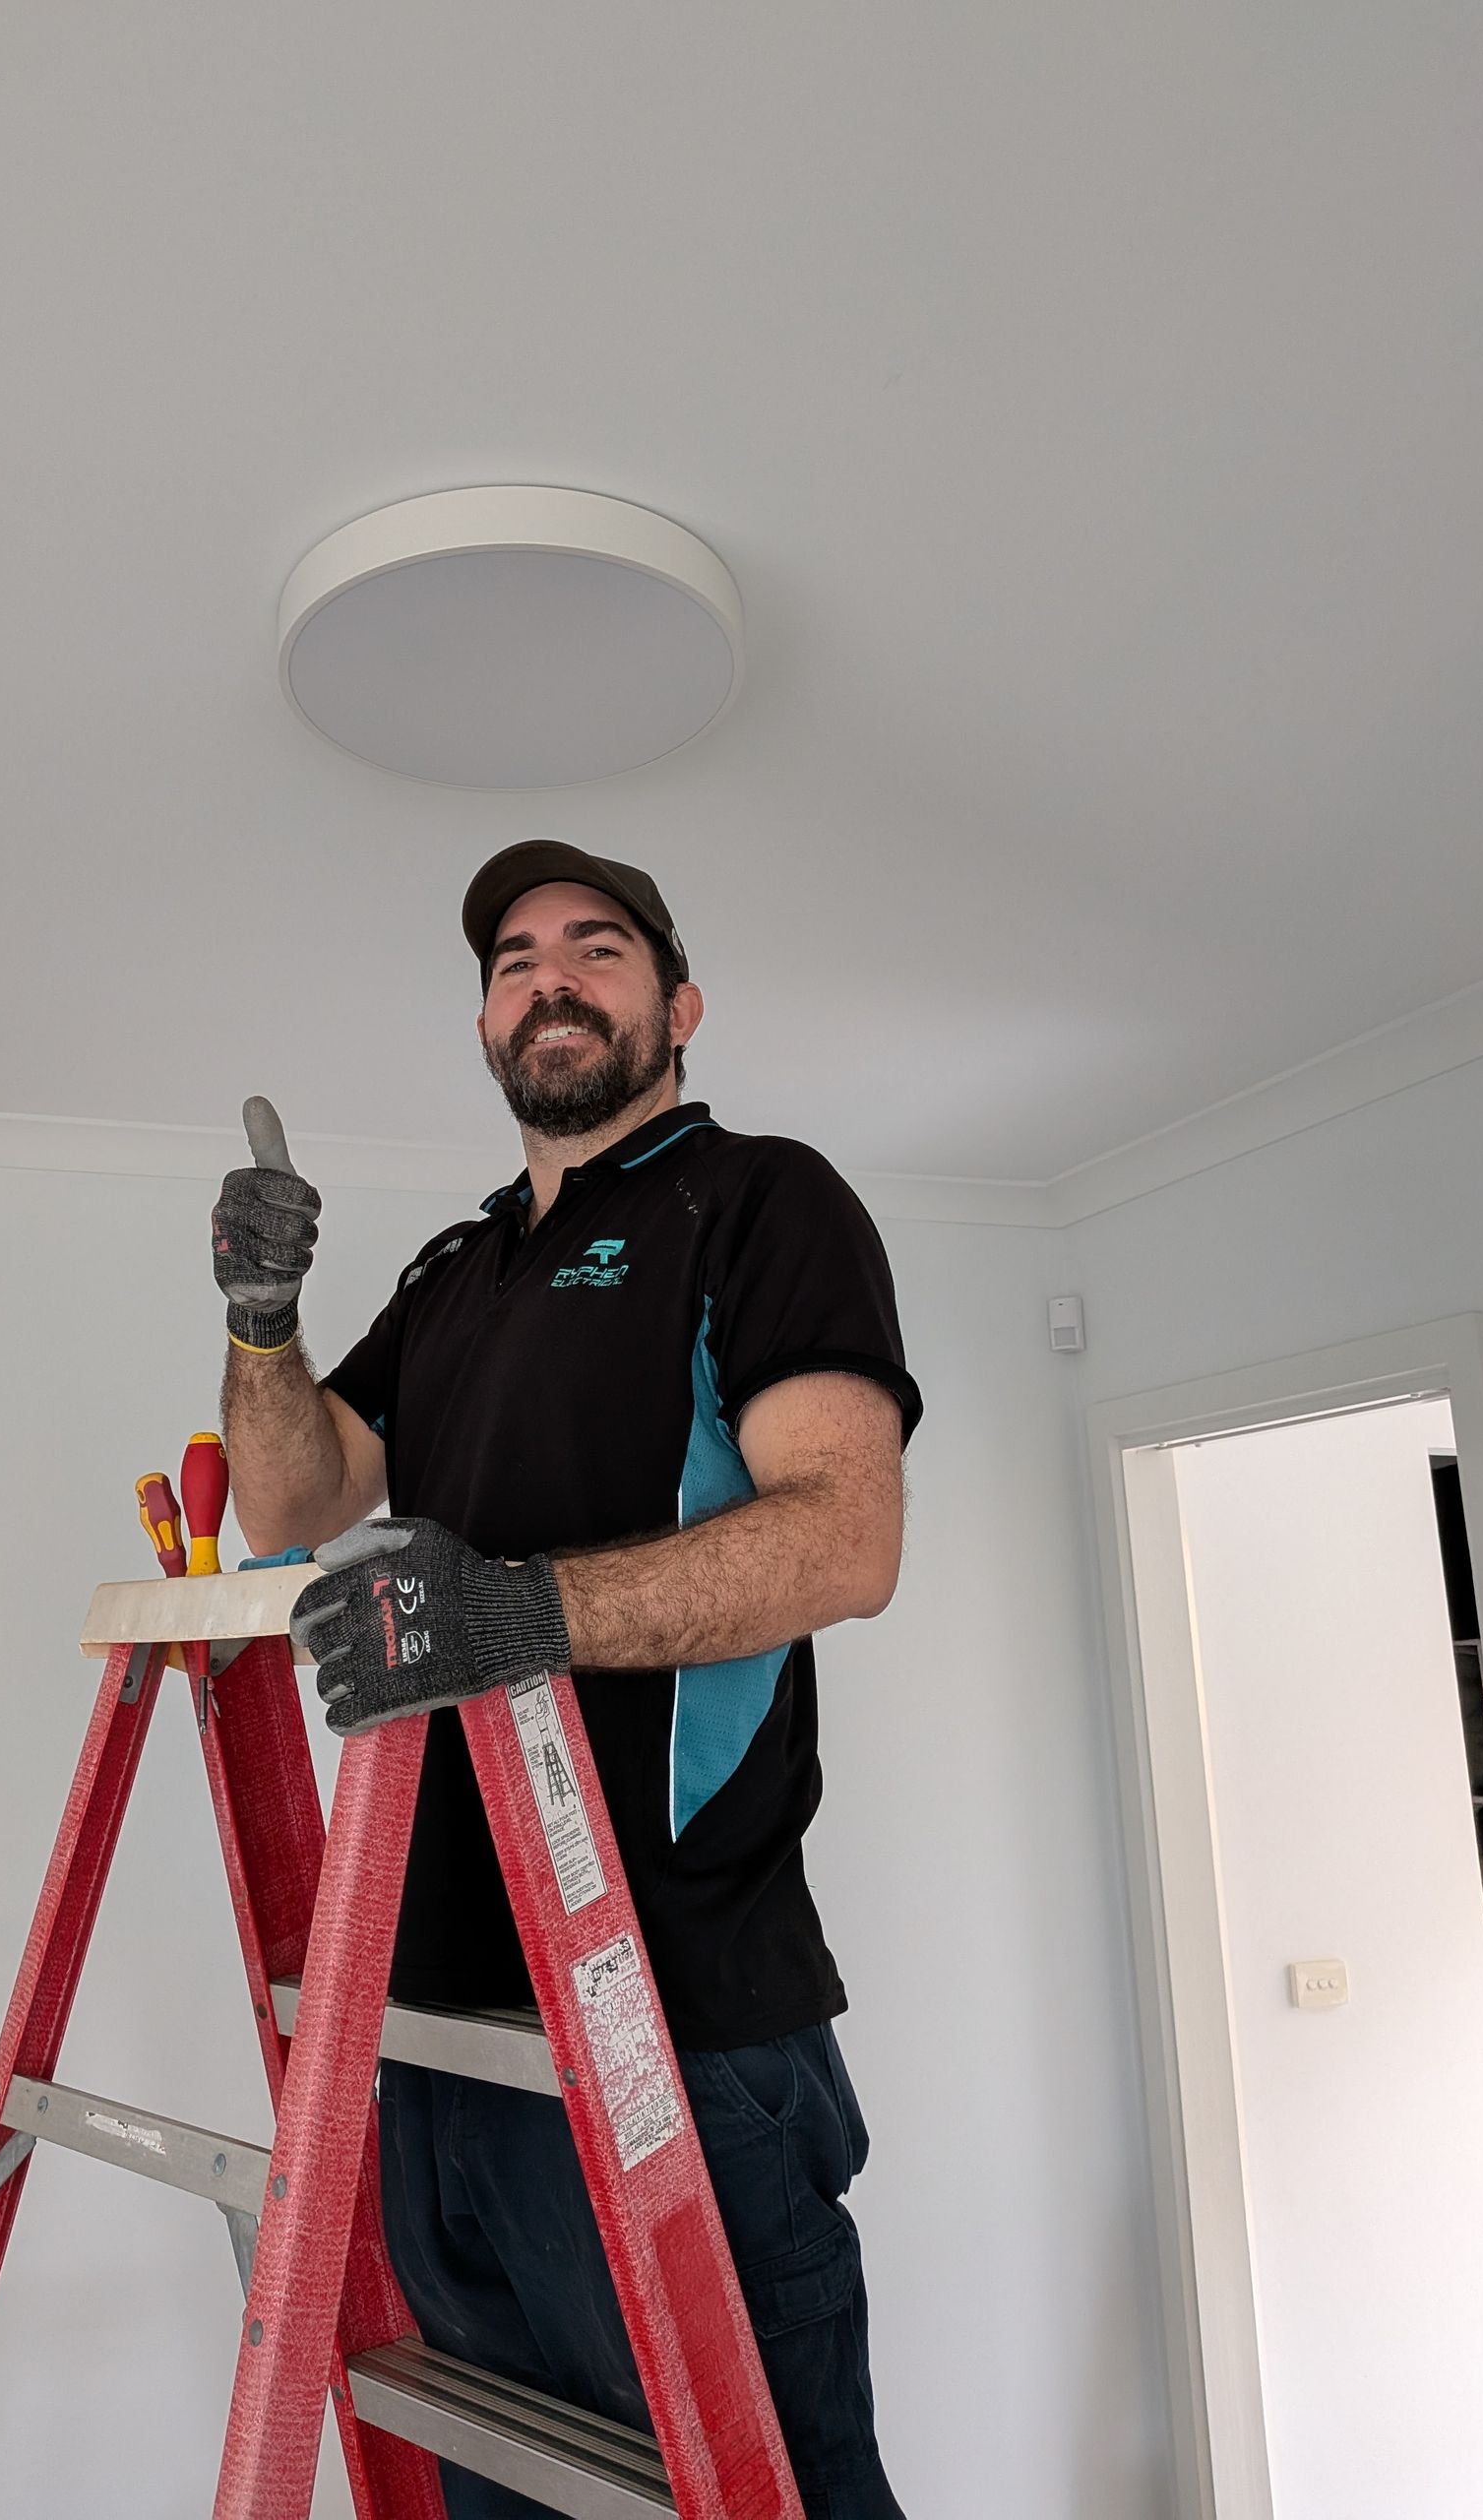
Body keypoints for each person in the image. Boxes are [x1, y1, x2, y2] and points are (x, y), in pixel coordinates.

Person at [214, 839, 921, 2519]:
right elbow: (293, 1498)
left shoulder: (760, 1200)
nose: (551, 977)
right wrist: (259, 1322)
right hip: (439, 2027)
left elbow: (845, 1539)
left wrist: (516, 1615)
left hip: (668, 2011)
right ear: (484, 1025)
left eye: (595, 949)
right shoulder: (459, 1272)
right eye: (515, 959)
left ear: (675, 1004)